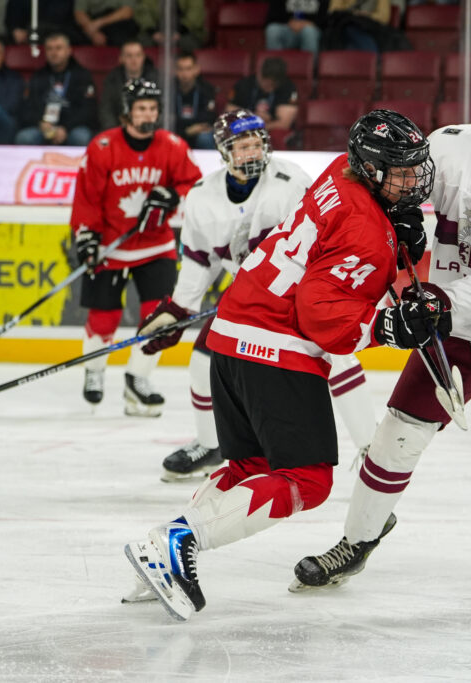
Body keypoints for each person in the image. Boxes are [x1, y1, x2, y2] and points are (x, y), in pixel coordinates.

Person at [123, 109, 442, 621]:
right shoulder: (365, 228)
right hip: (274, 348)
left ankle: (161, 550)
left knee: (252, 469)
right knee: (309, 480)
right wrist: (389, 328)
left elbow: (335, 249)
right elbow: (322, 319)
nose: (412, 181)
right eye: (401, 171)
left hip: (228, 337)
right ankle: (178, 543)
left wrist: (397, 233)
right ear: (374, 168)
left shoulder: (342, 169)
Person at [292, 69, 471, 611]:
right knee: (394, 437)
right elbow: (394, 186)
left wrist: (439, 302)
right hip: (453, 317)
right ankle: (357, 540)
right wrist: (398, 217)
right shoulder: (449, 147)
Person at [134, 109, 378, 481]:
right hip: (247, 298)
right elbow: (199, 263)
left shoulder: (291, 182)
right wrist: (178, 309)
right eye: (241, 146)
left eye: (256, 143)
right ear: (223, 151)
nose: (251, 152)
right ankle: (210, 445)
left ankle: (371, 449)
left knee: (337, 354)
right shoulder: (202, 197)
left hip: (301, 291)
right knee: (203, 364)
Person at [70, 78, 202, 416]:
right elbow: (87, 199)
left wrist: (173, 195)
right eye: (142, 108)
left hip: (155, 247)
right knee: (104, 318)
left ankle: (136, 380)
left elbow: (195, 184)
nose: (148, 114)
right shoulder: (102, 147)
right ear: (127, 111)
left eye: (153, 108)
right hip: (111, 246)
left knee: (157, 320)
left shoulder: (172, 146)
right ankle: (95, 371)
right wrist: (86, 236)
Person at [15, 31, 98, 146]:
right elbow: (27, 107)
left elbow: (88, 110)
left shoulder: (82, 75)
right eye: (50, 49)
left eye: (58, 48)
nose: (54, 53)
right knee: (24, 137)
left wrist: (65, 128)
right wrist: (41, 123)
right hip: (43, 126)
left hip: (71, 127)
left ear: (69, 51)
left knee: (81, 137)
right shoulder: (38, 76)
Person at [226, 57, 298, 139]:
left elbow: (284, 123)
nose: (268, 87)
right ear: (259, 73)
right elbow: (229, 112)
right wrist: (253, 118)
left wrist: (263, 124)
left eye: (273, 84)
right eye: (265, 82)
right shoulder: (244, 84)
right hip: (245, 127)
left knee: (276, 135)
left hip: (270, 129)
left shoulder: (287, 88)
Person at [98, 38, 159, 132]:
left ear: (143, 57)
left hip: (150, 130)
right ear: (121, 58)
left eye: (138, 55)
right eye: (129, 56)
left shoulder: (156, 78)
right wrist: (115, 132)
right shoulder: (112, 79)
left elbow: (162, 109)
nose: (134, 60)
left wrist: (149, 128)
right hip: (119, 130)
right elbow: (106, 110)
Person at [172, 52, 217, 150]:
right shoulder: (169, 89)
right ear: (175, 71)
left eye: (188, 69)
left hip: (198, 132)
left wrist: (191, 128)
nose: (185, 74)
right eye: (181, 69)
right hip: (178, 131)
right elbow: (168, 118)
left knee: (205, 137)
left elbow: (209, 117)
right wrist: (187, 130)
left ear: (196, 69)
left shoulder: (207, 88)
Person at [133, 0, 207, 53]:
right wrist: (153, 32)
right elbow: (142, 12)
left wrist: (179, 32)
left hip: (186, 32)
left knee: (188, 44)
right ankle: (147, 73)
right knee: (139, 44)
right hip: (155, 32)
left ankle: (185, 71)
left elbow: (195, 14)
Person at [4, 0, 83, 46]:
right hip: (27, 38)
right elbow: (12, 19)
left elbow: (64, 19)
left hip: (58, 34)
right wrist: (15, 30)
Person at [74, 0, 138, 47]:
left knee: (121, 37)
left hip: (118, 21)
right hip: (92, 22)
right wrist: (93, 33)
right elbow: (79, 13)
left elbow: (127, 12)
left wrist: (99, 23)